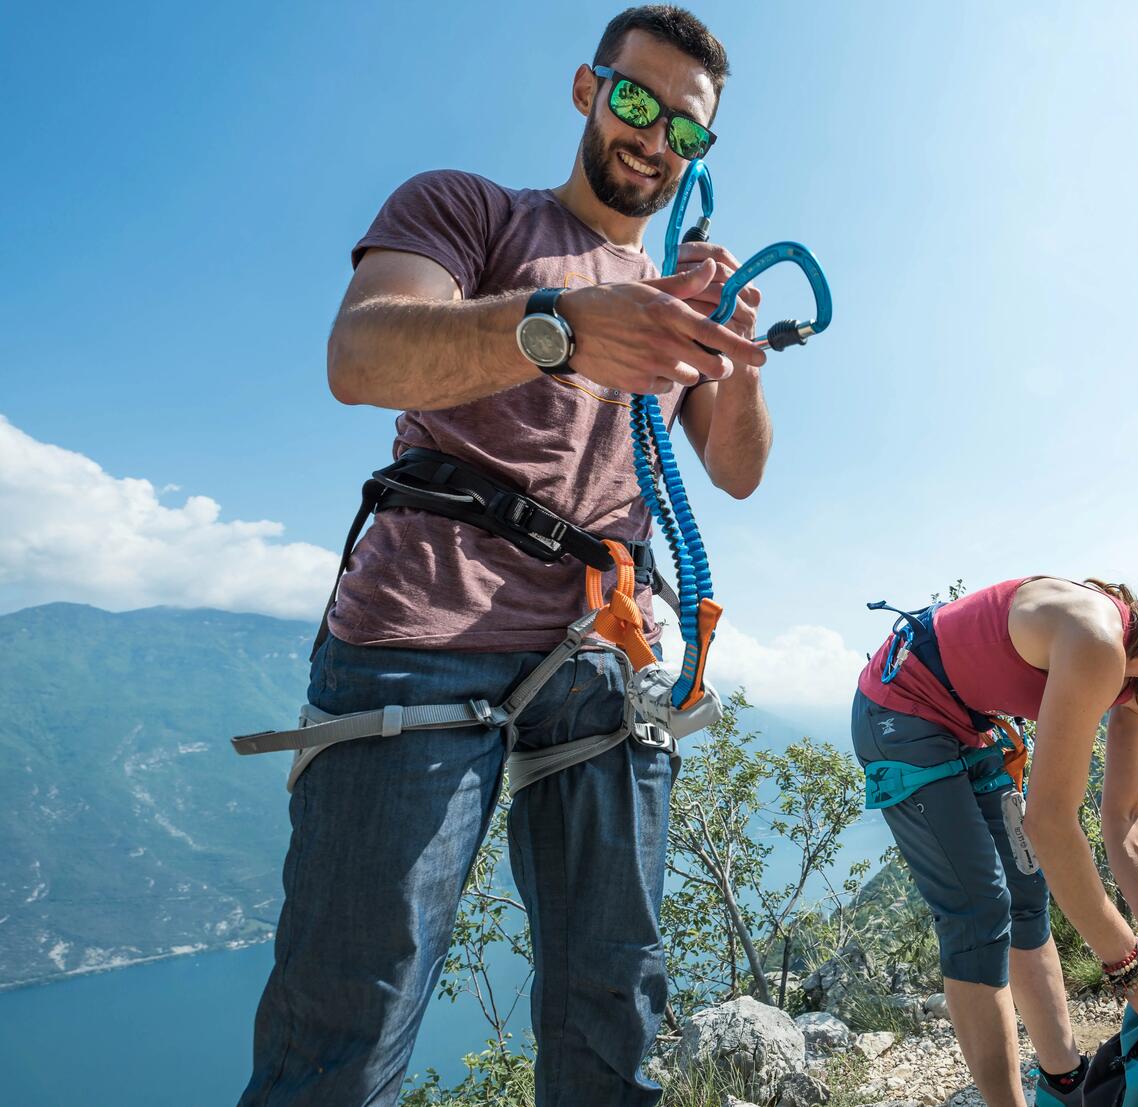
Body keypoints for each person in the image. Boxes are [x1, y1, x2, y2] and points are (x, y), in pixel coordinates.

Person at [238, 8, 777, 1104]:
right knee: (352, 1017)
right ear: (587, 92)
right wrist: (562, 324)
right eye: (637, 101)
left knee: (613, 1004)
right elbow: (363, 352)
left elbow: (736, 469)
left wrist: (738, 361)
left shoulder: (678, 299)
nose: (656, 137)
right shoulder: (468, 209)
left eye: (687, 128)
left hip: (598, 648)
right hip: (425, 631)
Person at [852, 572, 1138, 1107]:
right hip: (901, 708)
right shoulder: (1097, 640)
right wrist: (1132, 970)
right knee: (978, 911)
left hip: (970, 720)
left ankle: (1064, 1085)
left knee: (1025, 896)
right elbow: (1050, 823)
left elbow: (1127, 816)